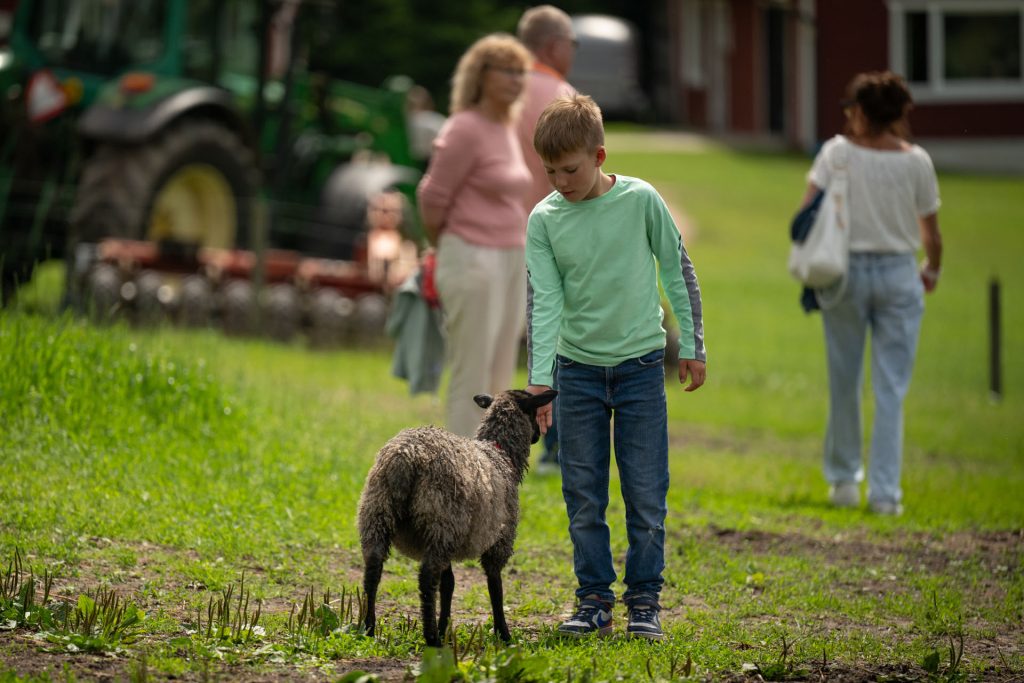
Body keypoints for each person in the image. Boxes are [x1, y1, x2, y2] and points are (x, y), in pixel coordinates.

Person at [524, 95, 707, 640]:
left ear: (600, 154)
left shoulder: (641, 201)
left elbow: (677, 272)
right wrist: (541, 383)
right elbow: (543, 302)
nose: (560, 180)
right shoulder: (544, 220)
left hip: (640, 369)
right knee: (583, 494)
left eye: (571, 169)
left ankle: (644, 602)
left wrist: (694, 346)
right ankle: (594, 599)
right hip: (576, 372)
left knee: (646, 493)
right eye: (550, 170)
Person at [797, 71, 942, 516]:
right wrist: (931, 270)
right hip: (900, 273)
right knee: (891, 389)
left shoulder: (836, 154)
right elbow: (931, 235)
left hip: (845, 274)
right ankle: (884, 495)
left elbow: (805, 214)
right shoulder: (917, 160)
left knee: (844, 381)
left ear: (859, 112)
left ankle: (843, 482)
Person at [416, 33, 534, 437]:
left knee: (502, 372)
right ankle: (461, 463)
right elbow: (431, 197)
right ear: (481, 76)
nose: (517, 80)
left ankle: (494, 465)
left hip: (511, 258)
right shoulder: (464, 127)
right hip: (471, 257)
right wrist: (445, 244)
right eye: (507, 70)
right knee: (473, 370)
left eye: (522, 72)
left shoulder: (505, 127)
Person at [516, 4, 578, 475]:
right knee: (559, 340)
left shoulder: (500, 92)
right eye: (571, 44)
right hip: (553, 234)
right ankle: (555, 446)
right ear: (553, 45)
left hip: (499, 234)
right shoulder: (562, 96)